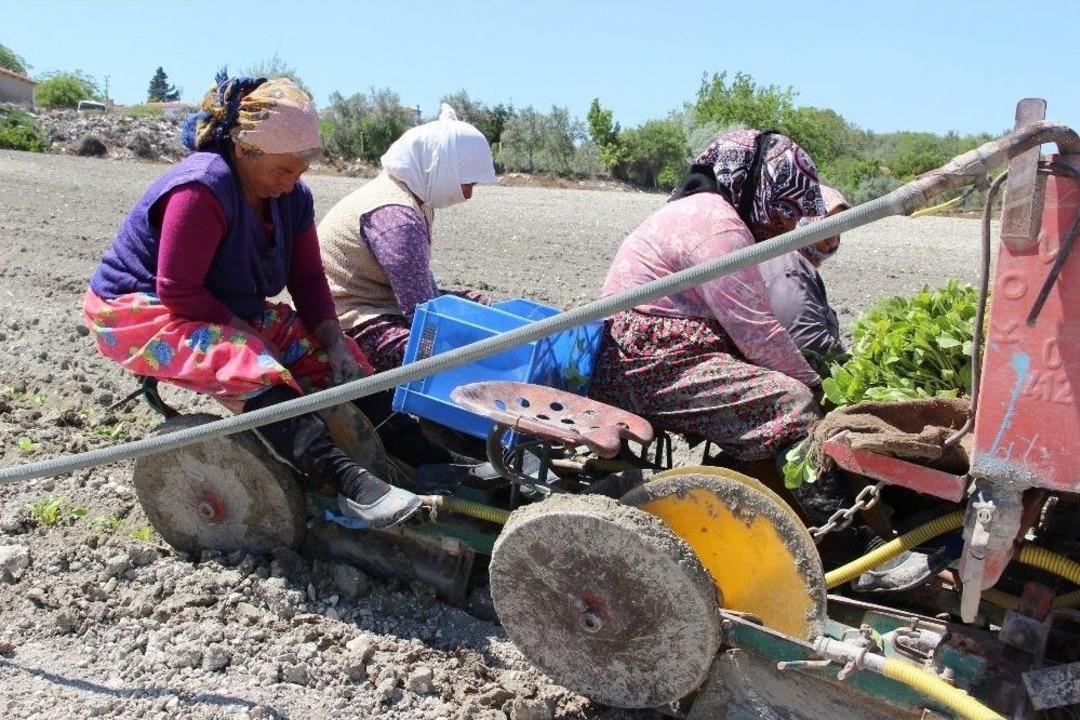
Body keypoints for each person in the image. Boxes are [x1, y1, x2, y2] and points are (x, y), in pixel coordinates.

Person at [82, 72, 420, 529]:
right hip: (139, 310)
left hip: (218, 303)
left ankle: (414, 453)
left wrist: (335, 342)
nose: (291, 181)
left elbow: (306, 276)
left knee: (332, 354)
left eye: (300, 171)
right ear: (244, 151)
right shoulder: (201, 189)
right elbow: (178, 291)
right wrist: (257, 339)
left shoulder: (292, 197)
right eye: (282, 170)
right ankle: (350, 484)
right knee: (246, 361)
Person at [589, 129, 826, 470]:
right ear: (758, 187)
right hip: (646, 362)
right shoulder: (720, 227)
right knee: (792, 402)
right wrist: (818, 389)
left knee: (776, 388)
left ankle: (742, 485)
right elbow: (757, 334)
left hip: (654, 354)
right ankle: (838, 523)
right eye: (783, 210)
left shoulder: (705, 210)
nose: (787, 227)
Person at [319, 104, 497, 373]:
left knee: (480, 304)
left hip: (384, 302)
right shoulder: (397, 217)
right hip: (353, 320)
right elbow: (422, 313)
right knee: (448, 355)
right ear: (444, 167)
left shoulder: (413, 194)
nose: (468, 194)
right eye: (467, 182)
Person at [759, 185, 850, 372]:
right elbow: (807, 342)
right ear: (804, 219)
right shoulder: (789, 268)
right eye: (825, 224)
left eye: (839, 225)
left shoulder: (796, 262)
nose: (832, 236)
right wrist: (854, 371)